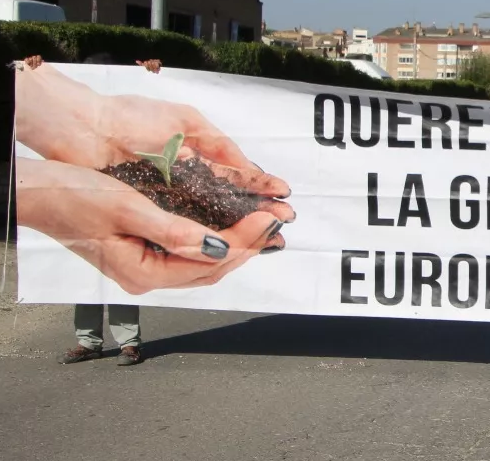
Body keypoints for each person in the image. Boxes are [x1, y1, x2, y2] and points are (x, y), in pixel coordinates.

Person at [16, 55, 291, 366]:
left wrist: (154, 74)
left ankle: (128, 342)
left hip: (126, 199)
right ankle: (87, 340)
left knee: (120, 268)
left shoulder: (122, 103)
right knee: (86, 274)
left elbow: (127, 92)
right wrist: (32, 69)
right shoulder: (48, 77)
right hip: (82, 185)